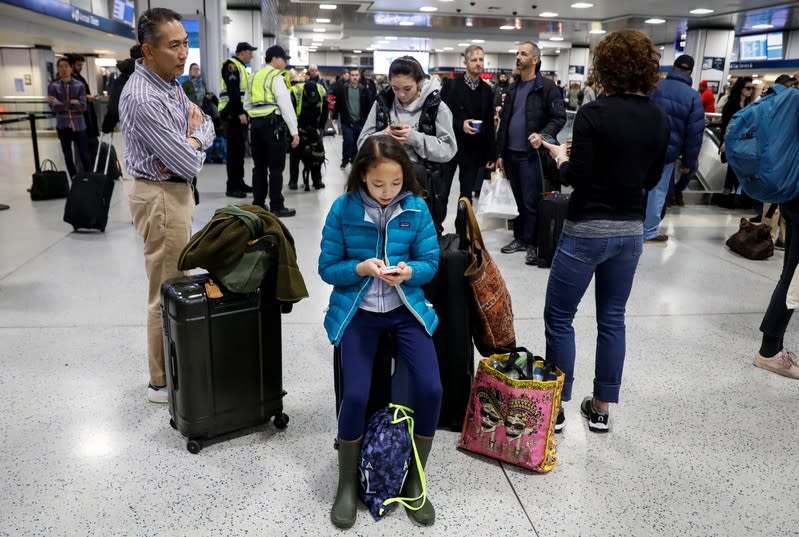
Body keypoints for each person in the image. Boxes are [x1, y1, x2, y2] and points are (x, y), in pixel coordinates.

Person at [540, 29, 669, 433]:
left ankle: (557, 406)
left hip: (586, 231)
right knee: (612, 318)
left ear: (605, 68)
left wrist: (561, 157)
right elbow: (650, 179)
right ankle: (600, 408)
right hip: (631, 230)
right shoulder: (658, 117)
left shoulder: (595, 114)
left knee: (560, 317)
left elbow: (578, 177)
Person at [319, 135, 442, 529]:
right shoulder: (343, 209)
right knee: (355, 393)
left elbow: (430, 262)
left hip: (405, 312)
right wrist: (360, 269)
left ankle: (414, 481)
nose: (388, 193)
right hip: (360, 313)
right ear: (361, 178)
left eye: (395, 183)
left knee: (432, 389)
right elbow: (327, 267)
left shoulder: (417, 208)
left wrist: (408, 273)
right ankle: (347, 485)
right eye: (377, 185)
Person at [119, 8, 215, 403]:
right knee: (166, 288)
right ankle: (160, 382)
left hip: (175, 191)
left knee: (176, 281)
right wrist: (193, 139)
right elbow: (191, 157)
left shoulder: (169, 84)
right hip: (159, 197)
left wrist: (194, 135)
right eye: (174, 45)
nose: (183, 53)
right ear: (149, 49)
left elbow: (205, 122)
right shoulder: (143, 97)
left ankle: (175, 367)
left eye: (186, 43)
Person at [358, 56, 457, 232]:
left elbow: (449, 149)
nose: (401, 94)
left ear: (419, 83)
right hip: (384, 185)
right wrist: (383, 135)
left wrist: (414, 137)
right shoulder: (381, 104)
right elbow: (362, 143)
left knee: (421, 237)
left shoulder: (437, 107)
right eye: (395, 88)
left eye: (407, 88)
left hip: (423, 186)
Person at [495, 41, 567, 266]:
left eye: (523, 54)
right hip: (511, 154)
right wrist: (499, 152)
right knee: (518, 200)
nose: (518, 57)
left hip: (530, 155)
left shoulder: (546, 87)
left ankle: (535, 243)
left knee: (532, 201)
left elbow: (559, 118)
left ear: (534, 60)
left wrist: (542, 136)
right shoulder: (514, 87)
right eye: (517, 53)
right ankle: (521, 238)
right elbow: (505, 120)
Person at [643, 54, 704, 242]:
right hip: (668, 153)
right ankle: (649, 231)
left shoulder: (654, 87)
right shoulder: (692, 96)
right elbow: (694, 133)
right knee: (658, 191)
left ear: (673, 67)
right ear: (691, 71)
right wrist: (688, 162)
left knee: (637, 185)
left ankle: (629, 225)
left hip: (643, 147)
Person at [245, 45, 299, 217]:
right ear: (274, 59)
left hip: (255, 126)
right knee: (276, 167)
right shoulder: (276, 76)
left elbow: (246, 102)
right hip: (272, 126)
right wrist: (294, 131)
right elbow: (285, 105)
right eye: (284, 59)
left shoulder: (253, 76)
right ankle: (277, 205)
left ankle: (258, 204)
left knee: (258, 167)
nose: (285, 63)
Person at [442, 45, 496, 211]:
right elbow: (440, 117)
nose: (478, 63)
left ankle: (463, 235)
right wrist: (460, 125)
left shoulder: (487, 90)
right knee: (441, 193)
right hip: (450, 148)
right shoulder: (451, 85)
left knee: (466, 197)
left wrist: (491, 154)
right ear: (465, 62)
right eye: (474, 60)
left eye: (481, 60)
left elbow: (488, 123)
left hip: (473, 151)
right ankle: (436, 232)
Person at [219, 41, 257, 198]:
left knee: (240, 151)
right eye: (250, 52)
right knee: (234, 152)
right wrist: (240, 112)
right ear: (242, 52)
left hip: (237, 112)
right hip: (231, 112)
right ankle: (232, 187)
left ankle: (239, 182)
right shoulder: (231, 65)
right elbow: (233, 91)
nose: (252, 55)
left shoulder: (241, 67)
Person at [48, 57, 91, 178]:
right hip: (63, 126)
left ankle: (89, 180)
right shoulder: (53, 86)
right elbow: (53, 108)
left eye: (66, 66)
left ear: (71, 68)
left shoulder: (79, 85)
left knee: (85, 155)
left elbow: (83, 107)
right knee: (67, 156)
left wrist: (60, 103)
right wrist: (71, 103)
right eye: (61, 66)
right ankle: (74, 178)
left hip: (79, 125)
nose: (63, 69)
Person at [289, 69, 329, 191]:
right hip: (299, 125)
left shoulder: (321, 91)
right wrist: (295, 130)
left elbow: (325, 112)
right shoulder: (296, 92)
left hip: (315, 127)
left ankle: (317, 180)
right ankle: (293, 181)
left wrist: (320, 128)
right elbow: (290, 112)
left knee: (317, 155)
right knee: (295, 154)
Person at [719, 77, 754, 197]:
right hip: (732, 141)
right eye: (748, 88)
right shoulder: (731, 104)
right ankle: (729, 194)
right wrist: (724, 142)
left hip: (744, 142)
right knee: (732, 167)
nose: (750, 91)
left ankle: (735, 194)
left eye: (752, 88)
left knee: (738, 168)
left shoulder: (750, 105)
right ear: (740, 89)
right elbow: (726, 125)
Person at [333, 67, 373, 169]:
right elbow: (338, 103)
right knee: (348, 140)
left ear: (359, 77)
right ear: (349, 77)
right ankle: (345, 160)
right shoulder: (343, 89)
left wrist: (369, 119)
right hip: (347, 120)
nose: (354, 77)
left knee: (356, 142)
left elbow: (368, 106)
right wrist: (334, 115)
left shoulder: (364, 90)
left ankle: (354, 160)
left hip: (359, 121)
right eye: (353, 75)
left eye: (356, 75)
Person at [101, 45, 142, 134]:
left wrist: (107, 126)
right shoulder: (146, 75)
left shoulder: (122, 79)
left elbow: (114, 107)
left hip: (131, 126)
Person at [69, 54, 100, 142]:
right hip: (79, 117)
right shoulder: (69, 80)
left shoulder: (79, 78)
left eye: (81, 65)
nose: (81, 68)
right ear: (71, 65)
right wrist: (85, 98)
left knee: (90, 143)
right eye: (78, 65)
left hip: (87, 114)